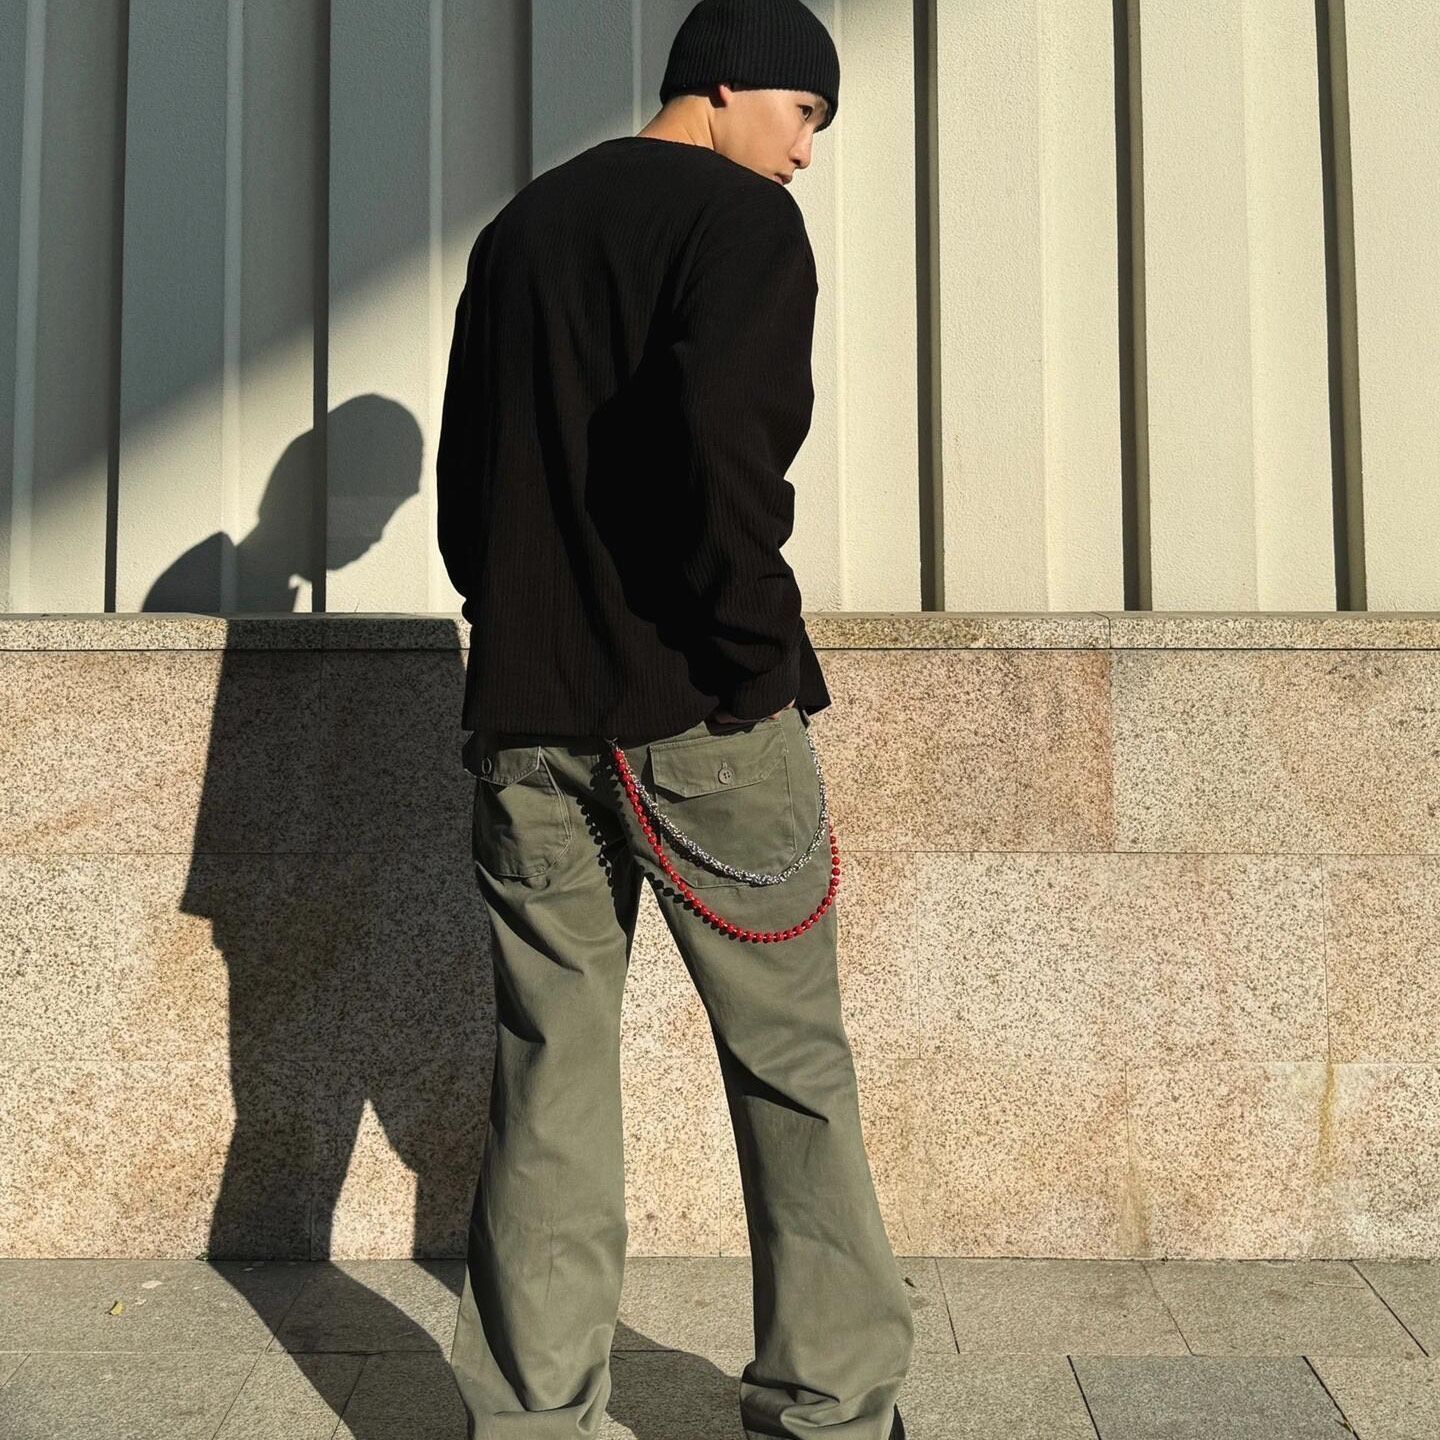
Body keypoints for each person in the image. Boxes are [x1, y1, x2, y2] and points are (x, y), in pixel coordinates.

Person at [436, 2, 913, 1435]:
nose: (807, 152)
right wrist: (758, 661)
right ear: (727, 80)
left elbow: (467, 503)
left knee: (548, 1069)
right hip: (700, 717)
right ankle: (830, 1406)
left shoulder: (519, 232)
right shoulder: (740, 223)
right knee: (791, 1065)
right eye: (805, 113)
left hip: (529, 723)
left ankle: (533, 1420)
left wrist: (529, 631)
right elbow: (725, 458)